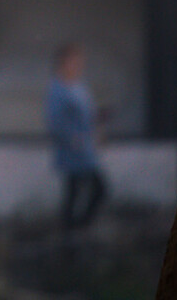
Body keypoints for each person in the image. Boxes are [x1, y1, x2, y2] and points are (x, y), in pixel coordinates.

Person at [45, 42, 107, 231]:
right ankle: (73, 229)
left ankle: (75, 228)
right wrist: (72, 138)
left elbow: (87, 115)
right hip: (72, 150)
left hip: (86, 149)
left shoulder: (79, 87)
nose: (76, 66)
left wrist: (97, 126)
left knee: (80, 192)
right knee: (92, 189)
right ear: (62, 63)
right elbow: (54, 121)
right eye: (72, 62)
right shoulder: (57, 89)